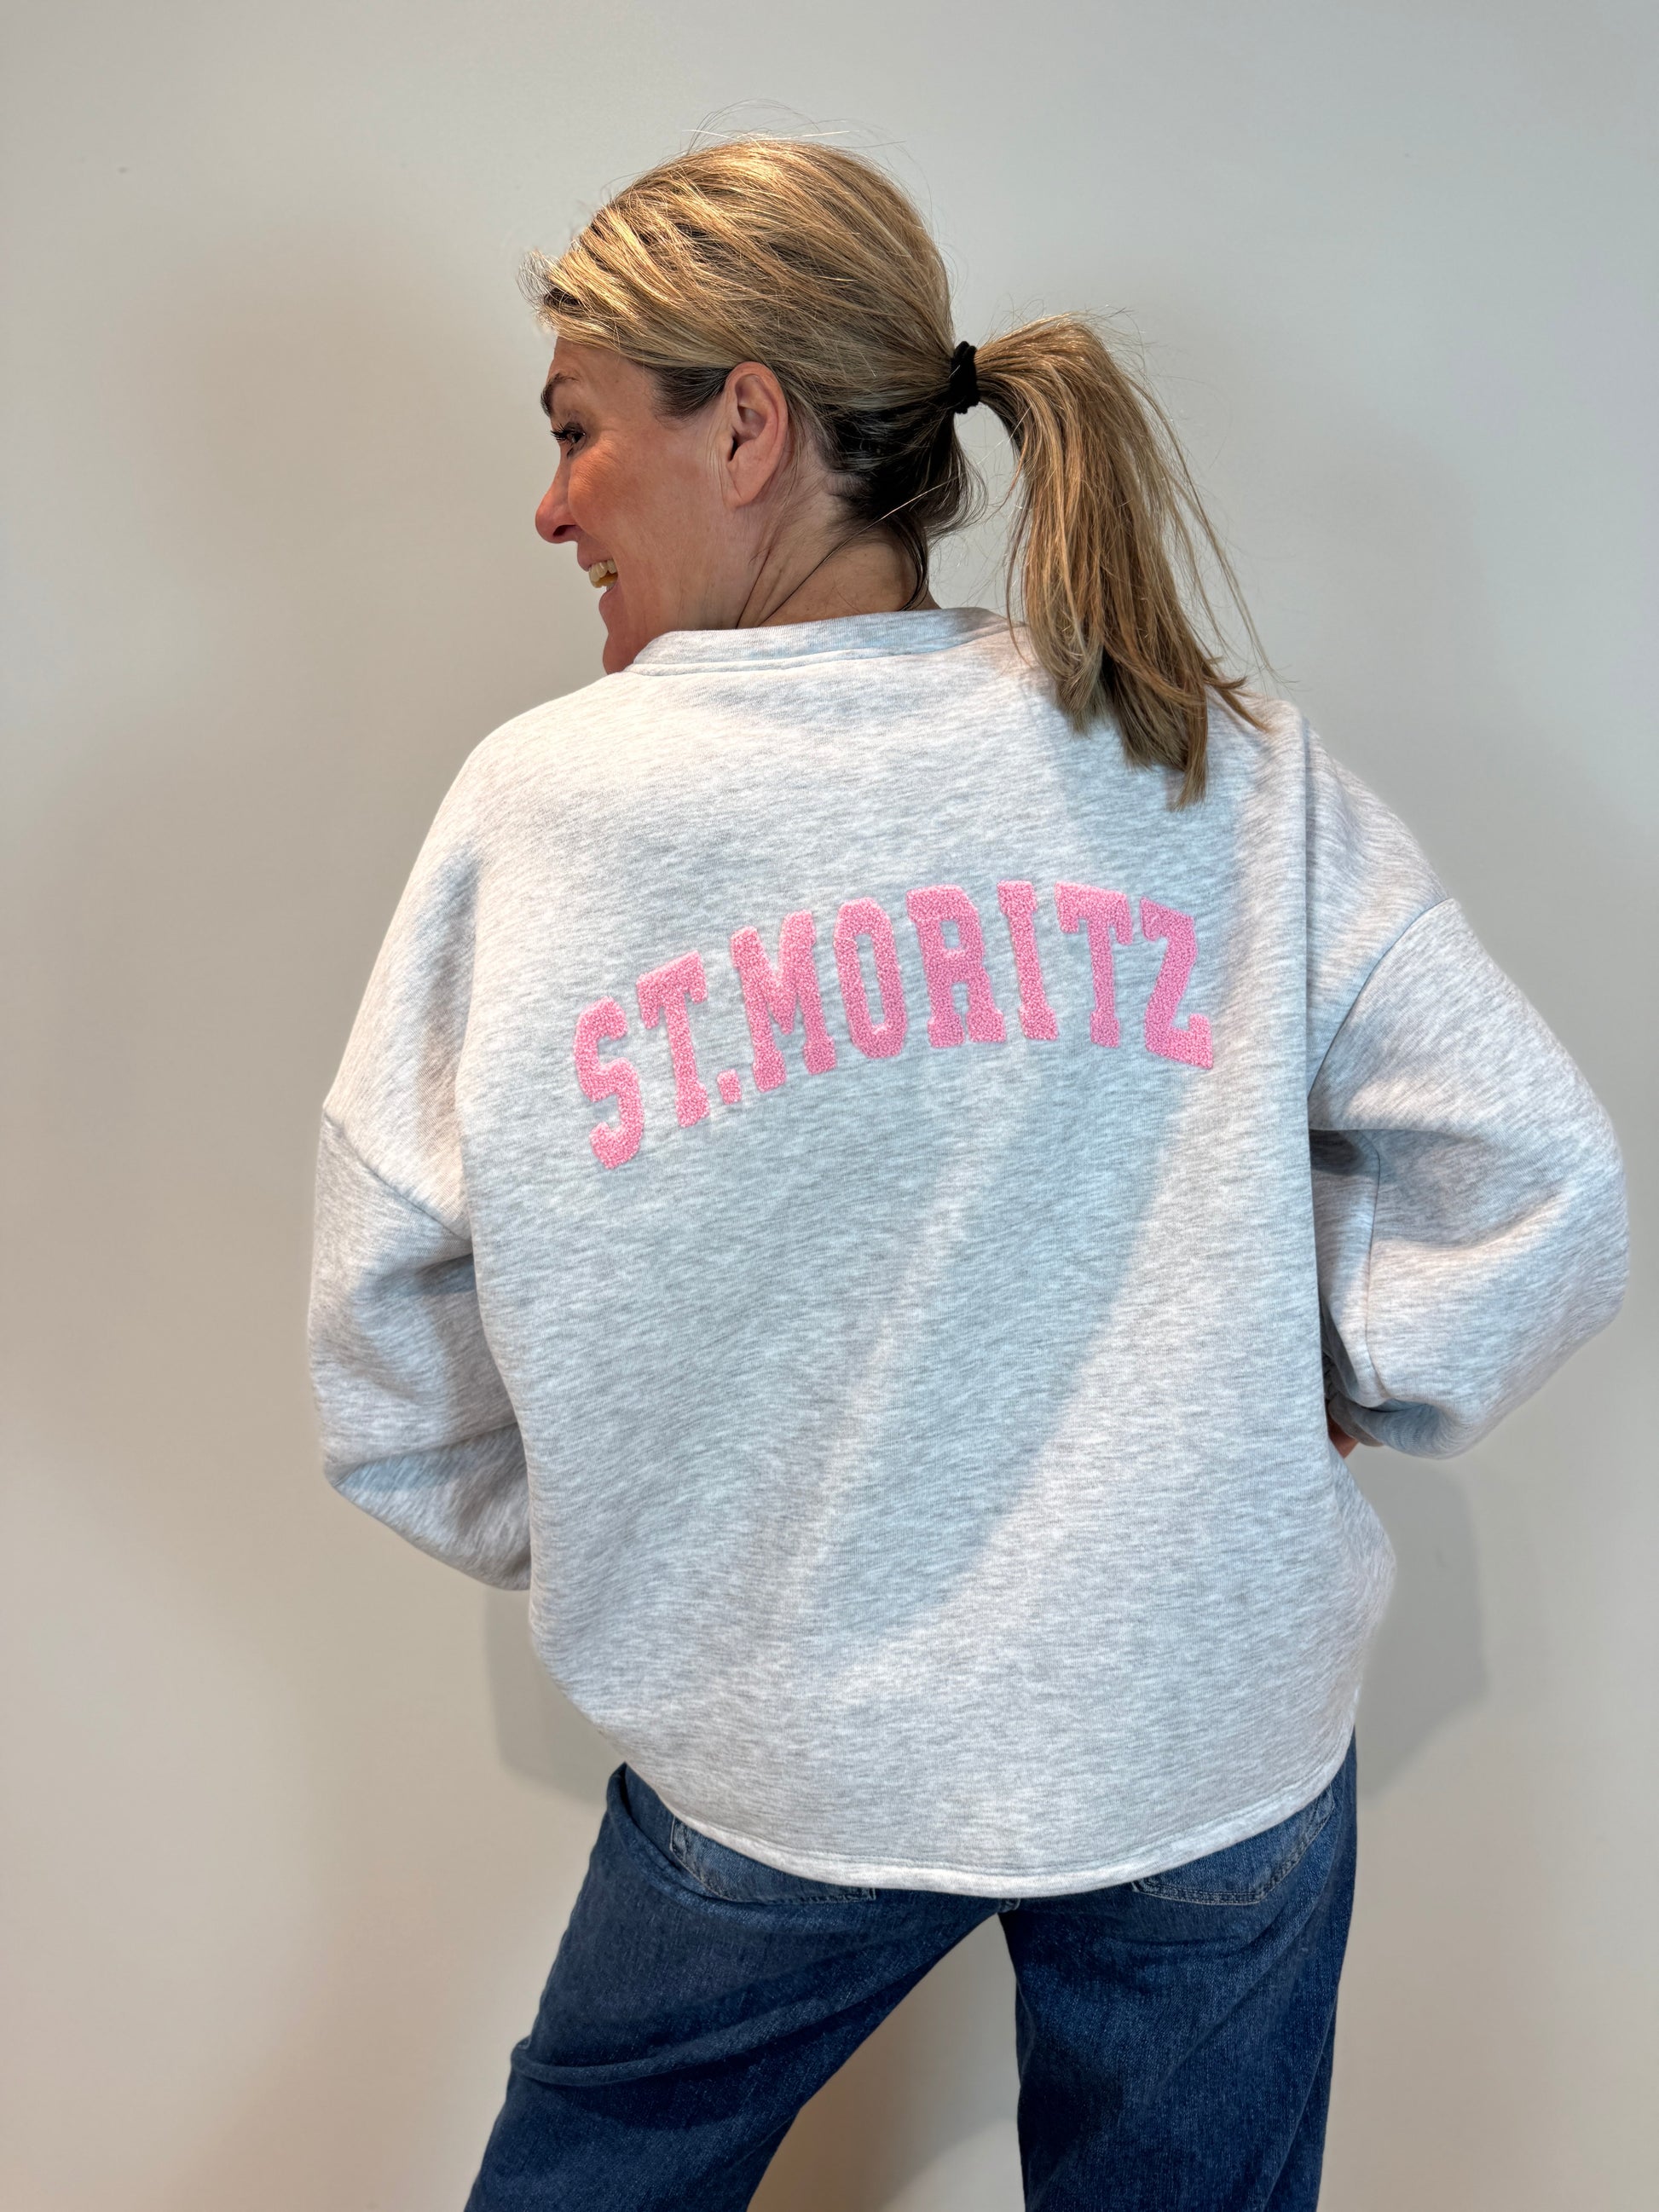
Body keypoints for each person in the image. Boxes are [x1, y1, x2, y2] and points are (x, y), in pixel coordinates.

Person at [306, 137, 1627, 2211]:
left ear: (745, 423)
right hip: (1201, 1718)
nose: (553, 506)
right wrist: (1331, 1379)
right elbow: (1535, 1172)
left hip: (774, 1745)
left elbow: (385, 1329)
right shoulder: (1201, 746)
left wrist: (654, 1549)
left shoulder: (550, 807)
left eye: (575, 429)